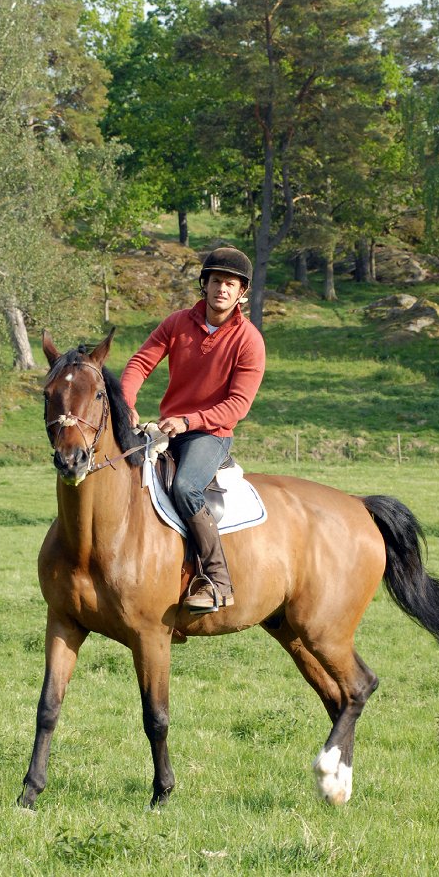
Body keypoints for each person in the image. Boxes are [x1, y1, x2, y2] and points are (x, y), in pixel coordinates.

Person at [121, 246, 265, 612]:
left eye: (230, 284)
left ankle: (218, 580)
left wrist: (189, 420)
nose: (222, 289)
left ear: (242, 292)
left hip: (210, 435)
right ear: (205, 284)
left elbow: (238, 405)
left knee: (185, 487)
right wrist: (126, 405)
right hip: (168, 430)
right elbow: (139, 363)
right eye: (216, 281)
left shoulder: (249, 341)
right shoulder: (176, 323)